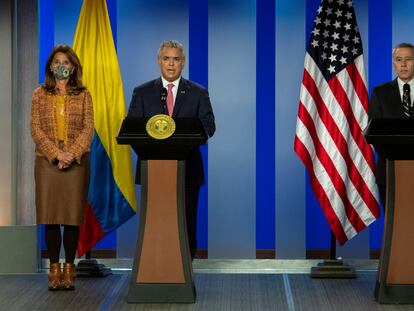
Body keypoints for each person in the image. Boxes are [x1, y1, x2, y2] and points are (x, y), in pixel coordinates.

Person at [128, 40, 215, 259]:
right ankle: (154, 272)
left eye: (176, 59)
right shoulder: (142, 92)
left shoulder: (198, 93)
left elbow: (209, 127)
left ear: (183, 63)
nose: (171, 64)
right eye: (166, 58)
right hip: (153, 171)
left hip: (188, 171)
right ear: (159, 61)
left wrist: (185, 133)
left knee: (186, 225)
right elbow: (131, 128)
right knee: (156, 226)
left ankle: (186, 272)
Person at [30, 45, 94, 290]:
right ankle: (53, 271)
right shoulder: (39, 94)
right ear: (50, 66)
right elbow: (35, 129)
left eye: (66, 62)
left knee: (71, 217)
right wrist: (57, 155)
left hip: (76, 163)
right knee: (51, 217)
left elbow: (89, 129)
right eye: (57, 62)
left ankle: (70, 270)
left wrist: (71, 155)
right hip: (47, 163)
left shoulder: (84, 94)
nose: (61, 66)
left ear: (73, 66)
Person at [369, 42, 414, 209]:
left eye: (408, 59)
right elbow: (375, 133)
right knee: (395, 226)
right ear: (393, 63)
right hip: (389, 173)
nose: (403, 64)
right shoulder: (380, 93)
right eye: (398, 59)